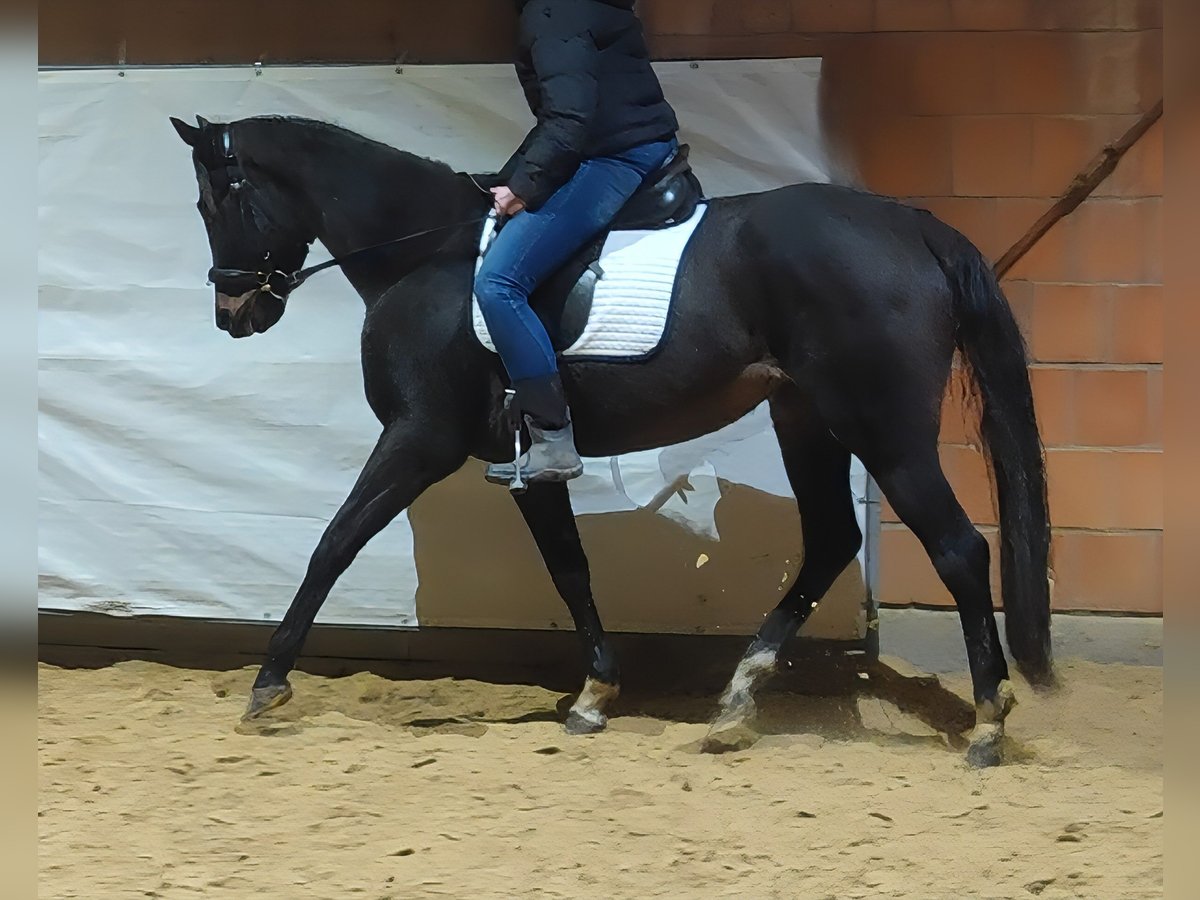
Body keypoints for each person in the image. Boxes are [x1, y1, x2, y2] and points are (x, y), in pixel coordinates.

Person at [476, 0, 681, 485]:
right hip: (630, 142)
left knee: (498, 282)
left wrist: (524, 187)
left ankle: (552, 440)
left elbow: (569, 118)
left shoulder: (552, 13)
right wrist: (513, 175)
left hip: (617, 156)